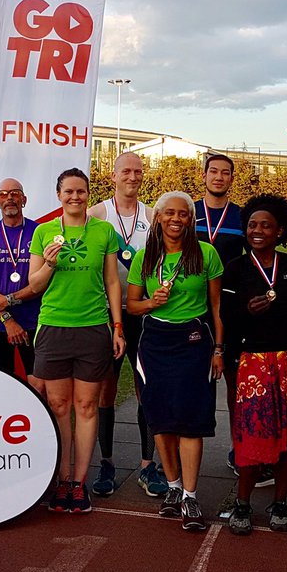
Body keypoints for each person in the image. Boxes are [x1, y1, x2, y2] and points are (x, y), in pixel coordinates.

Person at [221, 194, 287, 535]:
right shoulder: (236, 269)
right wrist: (245, 312)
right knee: (253, 434)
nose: (258, 230)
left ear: (279, 230)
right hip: (253, 362)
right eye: (252, 225)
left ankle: (280, 502)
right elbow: (226, 317)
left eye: (266, 225)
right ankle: (242, 502)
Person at [27, 168, 126, 514]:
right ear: (59, 195)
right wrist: (50, 266)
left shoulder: (104, 231)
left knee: (86, 408)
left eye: (81, 192)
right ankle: (60, 478)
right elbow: (34, 285)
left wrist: (117, 326)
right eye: (68, 191)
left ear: (87, 194)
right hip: (54, 328)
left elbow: (113, 282)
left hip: (93, 329)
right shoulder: (43, 232)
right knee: (58, 408)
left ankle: (79, 481)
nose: (75, 197)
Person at [126, 191, 225, 531]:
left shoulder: (206, 253)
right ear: (157, 217)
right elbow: (131, 306)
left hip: (194, 341)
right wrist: (151, 303)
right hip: (154, 342)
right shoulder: (144, 256)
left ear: (190, 219)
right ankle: (172, 486)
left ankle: (191, 496)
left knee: (190, 419)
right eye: (169, 213)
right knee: (161, 418)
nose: (176, 219)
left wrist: (219, 349)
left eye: (183, 214)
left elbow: (216, 308)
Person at [88, 152, 164, 497]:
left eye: (137, 171)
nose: (132, 177)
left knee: (145, 388)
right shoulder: (97, 214)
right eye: (126, 171)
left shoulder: (152, 216)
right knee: (106, 390)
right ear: (113, 175)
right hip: (105, 315)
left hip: (143, 314)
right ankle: (106, 463)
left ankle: (148, 467)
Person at [193, 153, 256, 481]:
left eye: (225, 173)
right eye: (213, 171)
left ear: (232, 179)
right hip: (188, 309)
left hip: (229, 309)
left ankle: (239, 448)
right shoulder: (187, 211)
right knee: (188, 381)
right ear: (203, 175)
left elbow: (256, 257)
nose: (219, 177)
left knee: (235, 384)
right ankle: (181, 450)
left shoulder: (243, 215)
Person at [0, 178, 43, 390]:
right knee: (0, 386)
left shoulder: (40, 232)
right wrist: (7, 319)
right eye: (3, 194)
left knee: (37, 385)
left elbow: (41, 282)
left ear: (24, 199)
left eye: (15, 193)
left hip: (34, 321)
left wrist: (8, 300)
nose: (9, 198)